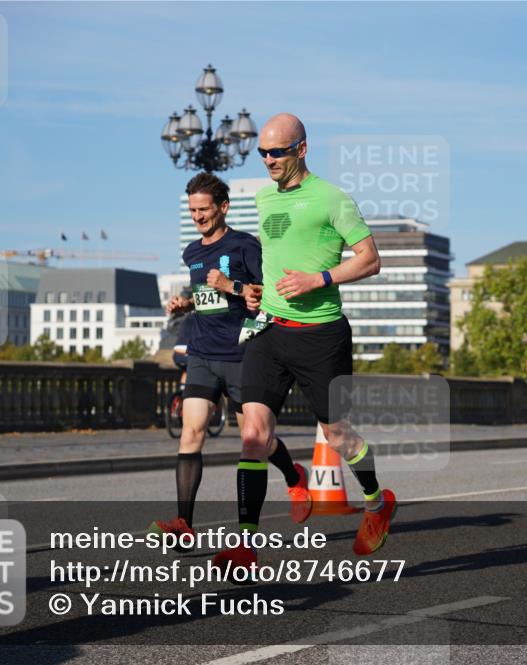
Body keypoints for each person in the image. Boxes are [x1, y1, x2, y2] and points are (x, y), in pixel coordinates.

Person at [214, 113, 396, 573]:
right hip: (271, 331)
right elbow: (274, 258)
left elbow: (370, 260)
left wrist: (320, 278)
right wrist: (253, 290)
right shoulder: (262, 198)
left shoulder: (332, 199)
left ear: (302, 149)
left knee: (338, 436)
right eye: (263, 153)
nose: (269, 160)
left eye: (277, 151)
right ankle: (246, 546)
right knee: (253, 435)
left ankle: (376, 502)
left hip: (322, 335)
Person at [149, 173, 313, 546]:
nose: (197, 217)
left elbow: (267, 294)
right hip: (203, 354)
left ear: (223, 207)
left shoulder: (244, 246)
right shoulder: (191, 253)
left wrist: (230, 285)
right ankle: (184, 524)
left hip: (243, 354)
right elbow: (206, 295)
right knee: (191, 432)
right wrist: (185, 303)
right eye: (192, 210)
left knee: (257, 439)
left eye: (204, 209)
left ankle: (293, 476)